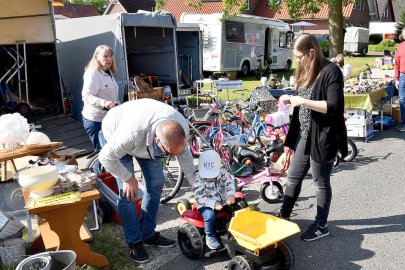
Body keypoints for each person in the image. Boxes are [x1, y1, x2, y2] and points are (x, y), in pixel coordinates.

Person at [98, 99, 196, 264]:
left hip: (145, 137)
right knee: (129, 193)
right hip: (116, 132)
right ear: (158, 141)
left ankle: (148, 234)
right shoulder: (130, 135)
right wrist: (128, 178)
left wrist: (197, 187)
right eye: (170, 154)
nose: (175, 157)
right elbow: (105, 158)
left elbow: (185, 157)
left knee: (156, 183)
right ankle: (134, 242)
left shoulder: (181, 128)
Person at [278, 33, 348, 241]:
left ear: (312, 52)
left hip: (323, 136)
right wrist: (291, 98)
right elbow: (302, 98)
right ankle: (283, 215)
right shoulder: (305, 68)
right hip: (304, 134)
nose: (298, 61)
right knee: (293, 177)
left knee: (320, 182)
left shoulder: (331, 71)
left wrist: (301, 101)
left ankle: (321, 225)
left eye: (300, 57)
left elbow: (333, 106)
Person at [193, 150, 236, 250]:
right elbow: (199, 197)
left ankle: (237, 227)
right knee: (210, 215)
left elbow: (229, 183)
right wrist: (213, 203)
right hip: (205, 204)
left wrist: (230, 195)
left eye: (212, 174)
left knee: (238, 206)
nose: (210, 177)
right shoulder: (198, 179)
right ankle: (210, 236)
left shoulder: (223, 173)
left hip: (223, 201)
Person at [82, 45, 119, 150]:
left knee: (111, 152)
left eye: (111, 56)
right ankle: (96, 167)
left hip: (109, 118)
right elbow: (86, 95)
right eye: (105, 56)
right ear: (97, 57)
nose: (109, 59)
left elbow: (111, 95)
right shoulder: (93, 73)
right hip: (96, 121)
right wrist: (104, 103)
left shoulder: (108, 71)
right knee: (101, 154)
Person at [394, 27, 405, 132]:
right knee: (402, 100)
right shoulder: (400, 47)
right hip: (403, 77)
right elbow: (396, 64)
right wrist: (396, 79)